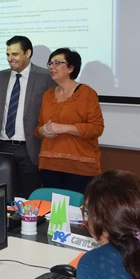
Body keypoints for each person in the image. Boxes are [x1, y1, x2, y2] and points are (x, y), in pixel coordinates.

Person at [0, 36, 55, 199]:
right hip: (1, 147)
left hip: (29, 148)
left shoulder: (45, 77)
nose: (10, 59)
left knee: (31, 197)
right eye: (8, 54)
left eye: (14, 54)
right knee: (3, 197)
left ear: (28, 53)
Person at [35, 48, 104, 194]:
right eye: (50, 63)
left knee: (74, 212)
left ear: (71, 68)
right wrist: (43, 130)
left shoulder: (87, 93)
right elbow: (39, 128)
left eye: (57, 62)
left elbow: (97, 128)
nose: (52, 67)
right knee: (53, 213)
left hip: (80, 166)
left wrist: (64, 128)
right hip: (49, 164)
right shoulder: (47, 95)